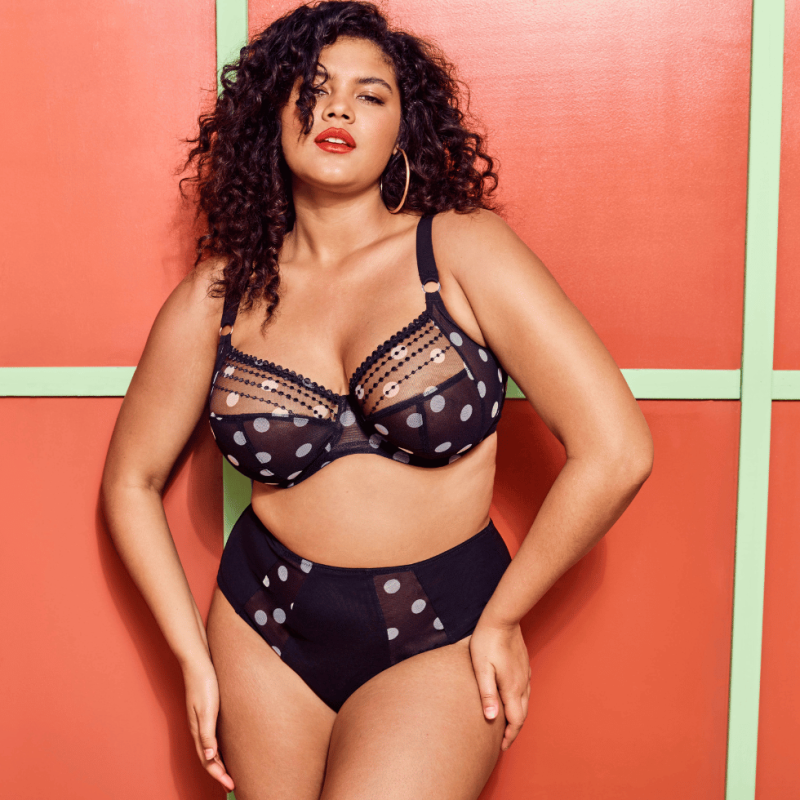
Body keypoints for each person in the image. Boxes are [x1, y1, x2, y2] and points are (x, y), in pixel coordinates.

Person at [101, 1, 654, 797]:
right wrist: (192, 656)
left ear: (403, 130)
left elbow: (617, 449)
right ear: (273, 116)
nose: (337, 109)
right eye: (314, 89)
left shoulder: (461, 250)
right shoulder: (217, 296)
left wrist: (505, 616)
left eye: (370, 94)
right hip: (262, 633)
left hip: (441, 633)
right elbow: (130, 481)